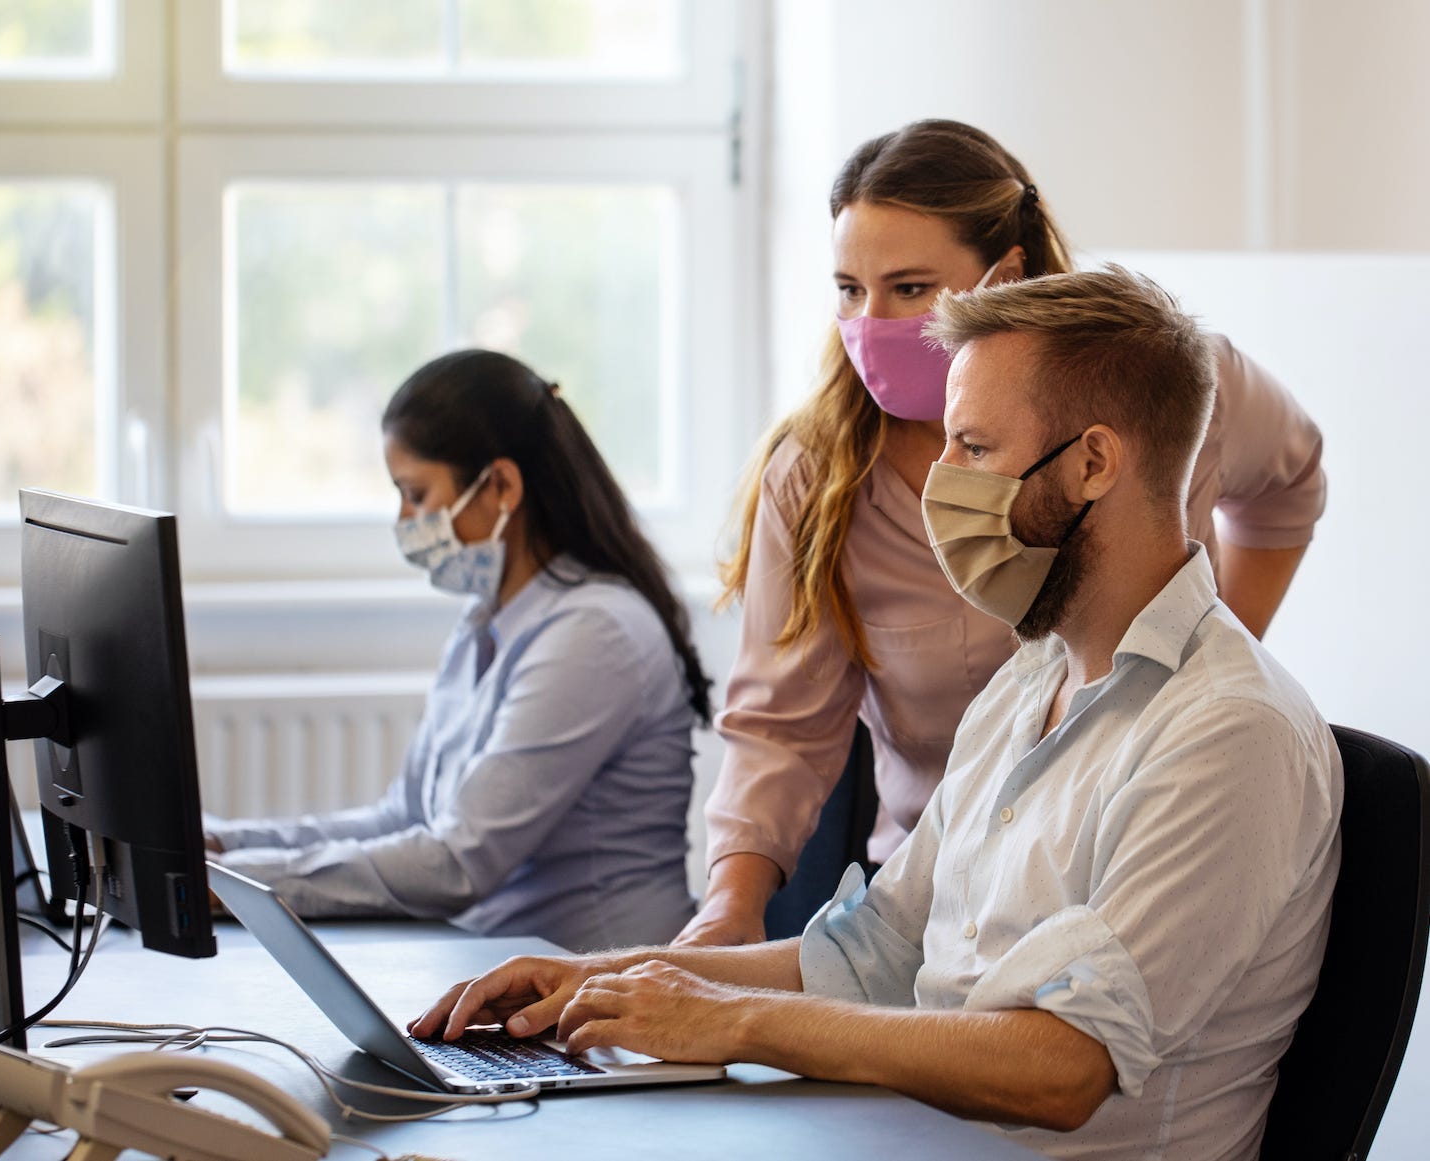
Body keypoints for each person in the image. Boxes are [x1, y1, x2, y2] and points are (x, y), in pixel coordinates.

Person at [411, 268, 1343, 1161]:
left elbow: (1064, 1067)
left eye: (973, 447)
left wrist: (732, 1021)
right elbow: (878, 951)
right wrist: (606, 975)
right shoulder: (1025, 684)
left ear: (1094, 461)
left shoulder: (1228, 731)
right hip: (894, 1134)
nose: (940, 482)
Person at [681, 119, 1327, 946]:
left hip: (1129, 867)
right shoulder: (819, 475)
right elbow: (781, 728)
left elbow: (1291, 479)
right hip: (936, 903)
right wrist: (727, 914)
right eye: (848, 289)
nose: (869, 323)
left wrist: (1211, 643)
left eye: (910, 288)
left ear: (1005, 274)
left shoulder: (1171, 387)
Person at [205, 349, 711, 953]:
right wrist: (226, 848)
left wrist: (231, 884)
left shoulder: (594, 634)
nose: (404, 518)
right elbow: (405, 819)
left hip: (600, 987)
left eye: (415, 494)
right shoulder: (485, 623)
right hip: (504, 970)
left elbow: (457, 863)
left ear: (500, 485)